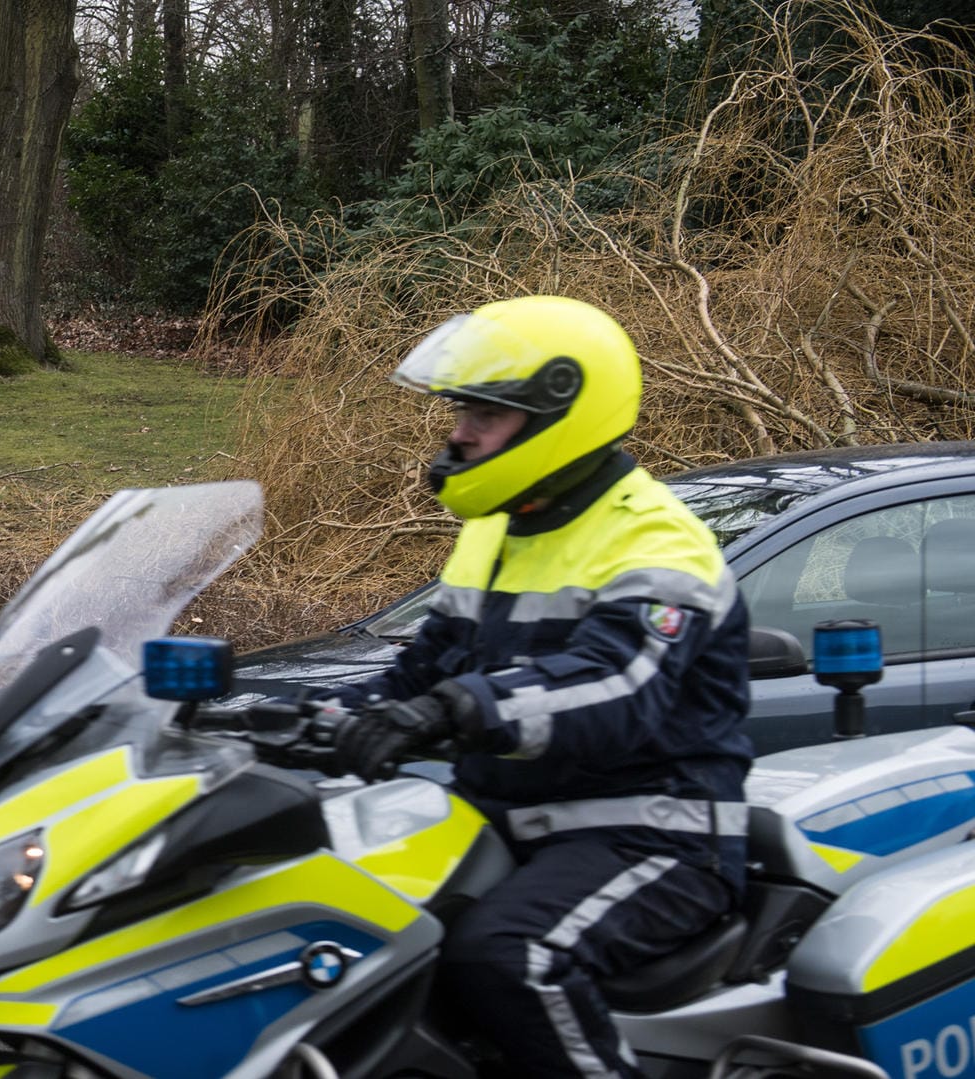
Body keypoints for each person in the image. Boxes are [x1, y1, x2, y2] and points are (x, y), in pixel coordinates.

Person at [314, 295, 752, 1078]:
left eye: (485, 413)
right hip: (511, 822)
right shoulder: (497, 529)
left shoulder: (657, 540)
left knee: (512, 956)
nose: (459, 433)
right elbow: (425, 665)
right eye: (460, 410)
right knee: (353, 917)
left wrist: (456, 708)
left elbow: (618, 688)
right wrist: (281, 719)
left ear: (562, 416)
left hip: (655, 833)